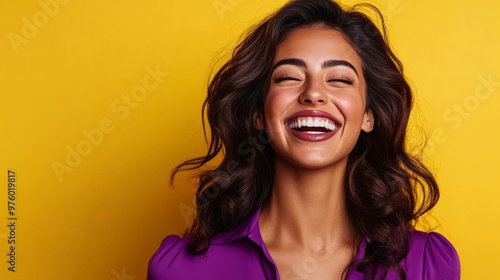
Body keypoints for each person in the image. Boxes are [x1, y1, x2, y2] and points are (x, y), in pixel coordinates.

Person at [148, 0, 460, 279]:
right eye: (289, 77)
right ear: (258, 113)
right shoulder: (181, 269)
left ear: (369, 116)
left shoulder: (426, 265)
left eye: (339, 79)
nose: (313, 93)